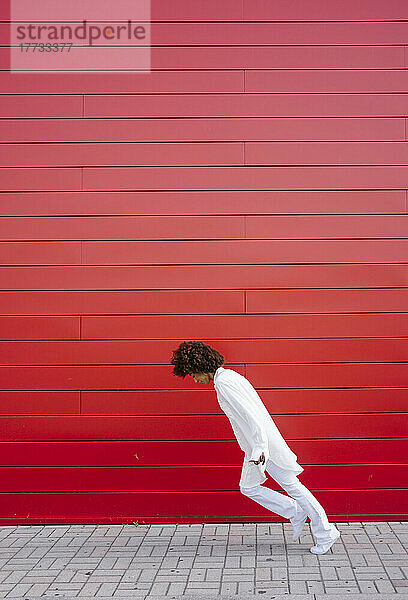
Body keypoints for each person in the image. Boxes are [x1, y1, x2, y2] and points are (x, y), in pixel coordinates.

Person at [171, 340, 341, 555]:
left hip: (262, 447)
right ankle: (295, 512)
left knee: (292, 486)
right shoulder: (228, 378)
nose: (194, 379)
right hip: (256, 447)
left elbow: (253, 416)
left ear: (200, 366)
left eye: (193, 374)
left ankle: (325, 532)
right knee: (249, 487)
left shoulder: (225, 383)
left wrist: (260, 448)